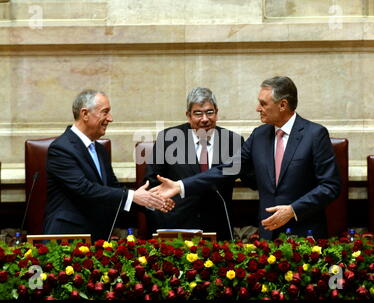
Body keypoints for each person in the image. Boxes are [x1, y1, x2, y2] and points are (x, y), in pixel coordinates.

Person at [151, 77, 341, 240]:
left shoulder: (314, 134)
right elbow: (227, 168)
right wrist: (181, 186)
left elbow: (330, 186)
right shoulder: (259, 135)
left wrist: (293, 210)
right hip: (268, 233)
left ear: (282, 105)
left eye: (263, 103)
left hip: (304, 231)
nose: (258, 108)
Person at [44, 89, 173, 241]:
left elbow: (113, 189)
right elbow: (84, 188)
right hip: (68, 238)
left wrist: (151, 200)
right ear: (85, 114)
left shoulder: (99, 149)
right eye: (105, 112)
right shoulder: (61, 148)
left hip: (97, 237)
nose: (110, 118)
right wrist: (133, 196)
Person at [143, 87, 244, 240]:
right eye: (198, 113)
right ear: (188, 116)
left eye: (210, 112)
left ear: (217, 112)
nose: (205, 119)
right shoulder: (169, 139)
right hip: (176, 226)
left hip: (218, 227)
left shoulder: (233, 141)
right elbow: (152, 182)